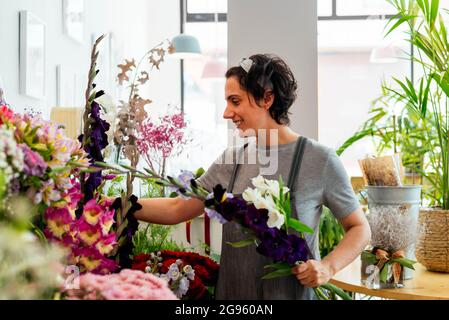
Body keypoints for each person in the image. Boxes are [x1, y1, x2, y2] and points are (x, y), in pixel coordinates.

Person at [135, 54, 371, 300]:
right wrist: (121, 205)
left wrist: (327, 267)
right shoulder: (232, 161)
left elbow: (359, 228)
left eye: (235, 101)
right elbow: (177, 207)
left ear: (267, 98)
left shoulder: (319, 159)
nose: (227, 113)